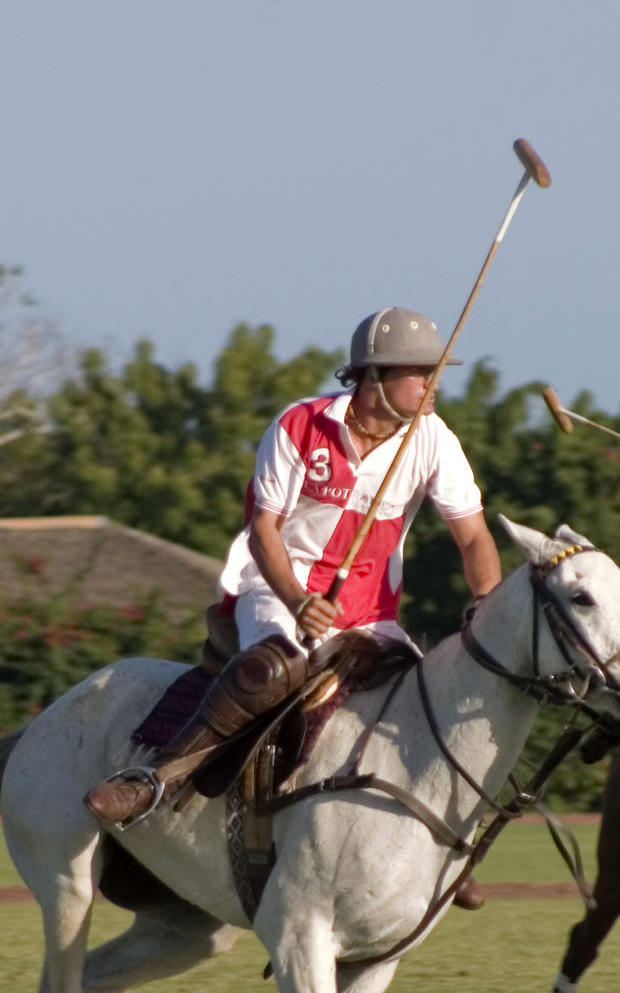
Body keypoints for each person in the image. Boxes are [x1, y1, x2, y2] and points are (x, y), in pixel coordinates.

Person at [83, 306, 502, 828]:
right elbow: (264, 531)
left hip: (372, 615)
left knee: (426, 698)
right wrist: (299, 601)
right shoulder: (300, 425)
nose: (433, 385)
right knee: (272, 671)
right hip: (280, 590)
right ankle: (154, 779)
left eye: (436, 373)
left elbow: (474, 538)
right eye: (420, 373)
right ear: (374, 375)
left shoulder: (433, 439)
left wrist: (487, 602)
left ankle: (438, 837)